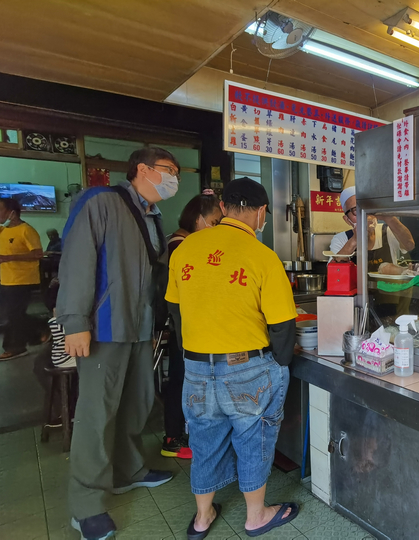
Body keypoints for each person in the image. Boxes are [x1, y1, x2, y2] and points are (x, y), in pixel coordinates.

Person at [166, 177, 299, 538]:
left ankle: (202, 517)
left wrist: (194, 355)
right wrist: (281, 366)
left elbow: (175, 312)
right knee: (253, 437)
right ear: (261, 213)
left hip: (196, 366)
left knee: (204, 440)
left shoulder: (184, 251)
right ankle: (256, 515)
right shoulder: (262, 256)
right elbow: (283, 327)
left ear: (223, 208)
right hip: (247, 367)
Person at [58, 147, 180, 540]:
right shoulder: (100, 201)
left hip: (141, 327)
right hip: (104, 327)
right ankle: (86, 504)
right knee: (97, 415)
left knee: (136, 403)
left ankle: (129, 471)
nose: (173, 179)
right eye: (168, 171)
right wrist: (74, 321)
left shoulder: (153, 217)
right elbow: (76, 260)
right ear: (142, 170)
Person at [161, 192, 222, 460]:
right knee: (180, 380)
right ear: (198, 220)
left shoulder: (184, 241)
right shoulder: (181, 245)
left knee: (181, 379)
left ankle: (179, 434)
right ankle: (173, 438)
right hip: (184, 328)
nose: (217, 227)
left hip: (186, 326)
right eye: (214, 221)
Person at [0, 197, 44, 359]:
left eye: (0, 210)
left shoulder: (26, 230)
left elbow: (38, 254)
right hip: (6, 279)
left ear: (12, 212)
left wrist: (9, 258)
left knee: (13, 314)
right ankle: (37, 335)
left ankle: (15, 347)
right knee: (12, 314)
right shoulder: (2, 231)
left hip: (22, 279)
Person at [330, 186, 415, 269]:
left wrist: (389, 217)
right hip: (354, 284)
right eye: (356, 210)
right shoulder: (341, 239)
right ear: (347, 220)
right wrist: (354, 240)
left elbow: (409, 246)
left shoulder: (388, 231)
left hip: (389, 283)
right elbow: (333, 271)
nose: (364, 214)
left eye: (368, 208)